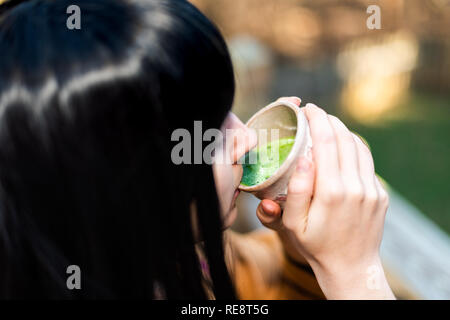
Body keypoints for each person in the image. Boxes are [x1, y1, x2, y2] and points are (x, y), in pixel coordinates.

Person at [0, 0, 394, 299]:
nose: (247, 137)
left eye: (227, 111)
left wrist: (299, 249)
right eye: (209, 133)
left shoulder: (187, 260)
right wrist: (357, 276)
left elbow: (261, 282)